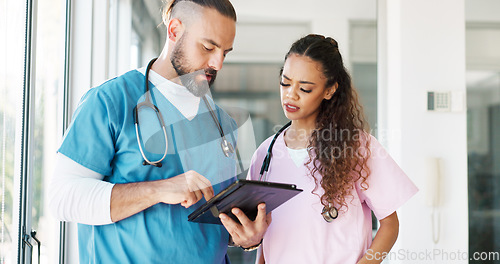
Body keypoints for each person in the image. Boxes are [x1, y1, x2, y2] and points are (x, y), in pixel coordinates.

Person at [48, 0, 269, 263]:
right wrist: (159, 190)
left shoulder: (223, 124)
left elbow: (214, 223)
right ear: (174, 30)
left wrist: (244, 237)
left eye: (225, 52)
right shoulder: (111, 102)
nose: (218, 63)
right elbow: (61, 198)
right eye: (208, 47)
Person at [246, 34, 418, 264]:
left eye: (305, 88)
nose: (290, 94)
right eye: (285, 82)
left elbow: (390, 225)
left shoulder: (357, 147)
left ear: (329, 90)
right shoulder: (265, 154)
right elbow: (263, 238)